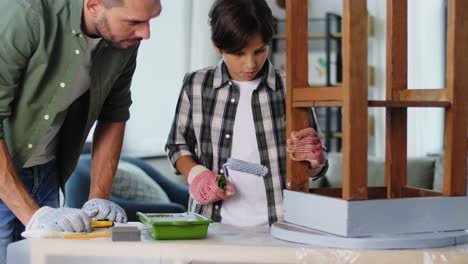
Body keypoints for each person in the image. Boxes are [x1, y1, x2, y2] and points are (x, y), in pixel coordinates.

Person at [0, 0, 162, 262]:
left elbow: (114, 112)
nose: (145, 33)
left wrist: (98, 200)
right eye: (134, 22)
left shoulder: (124, 40)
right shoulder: (24, 15)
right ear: (94, 5)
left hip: (46, 171)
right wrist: (35, 216)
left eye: (151, 19)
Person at [165, 0, 327, 227]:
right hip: (211, 224)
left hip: (282, 224)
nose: (250, 64)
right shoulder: (196, 84)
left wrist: (316, 160)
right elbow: (176, 145)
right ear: (217, 46)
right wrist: (196, 174)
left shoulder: (291, 87)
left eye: (259, 50)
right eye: (239, 53)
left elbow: (317, 168)